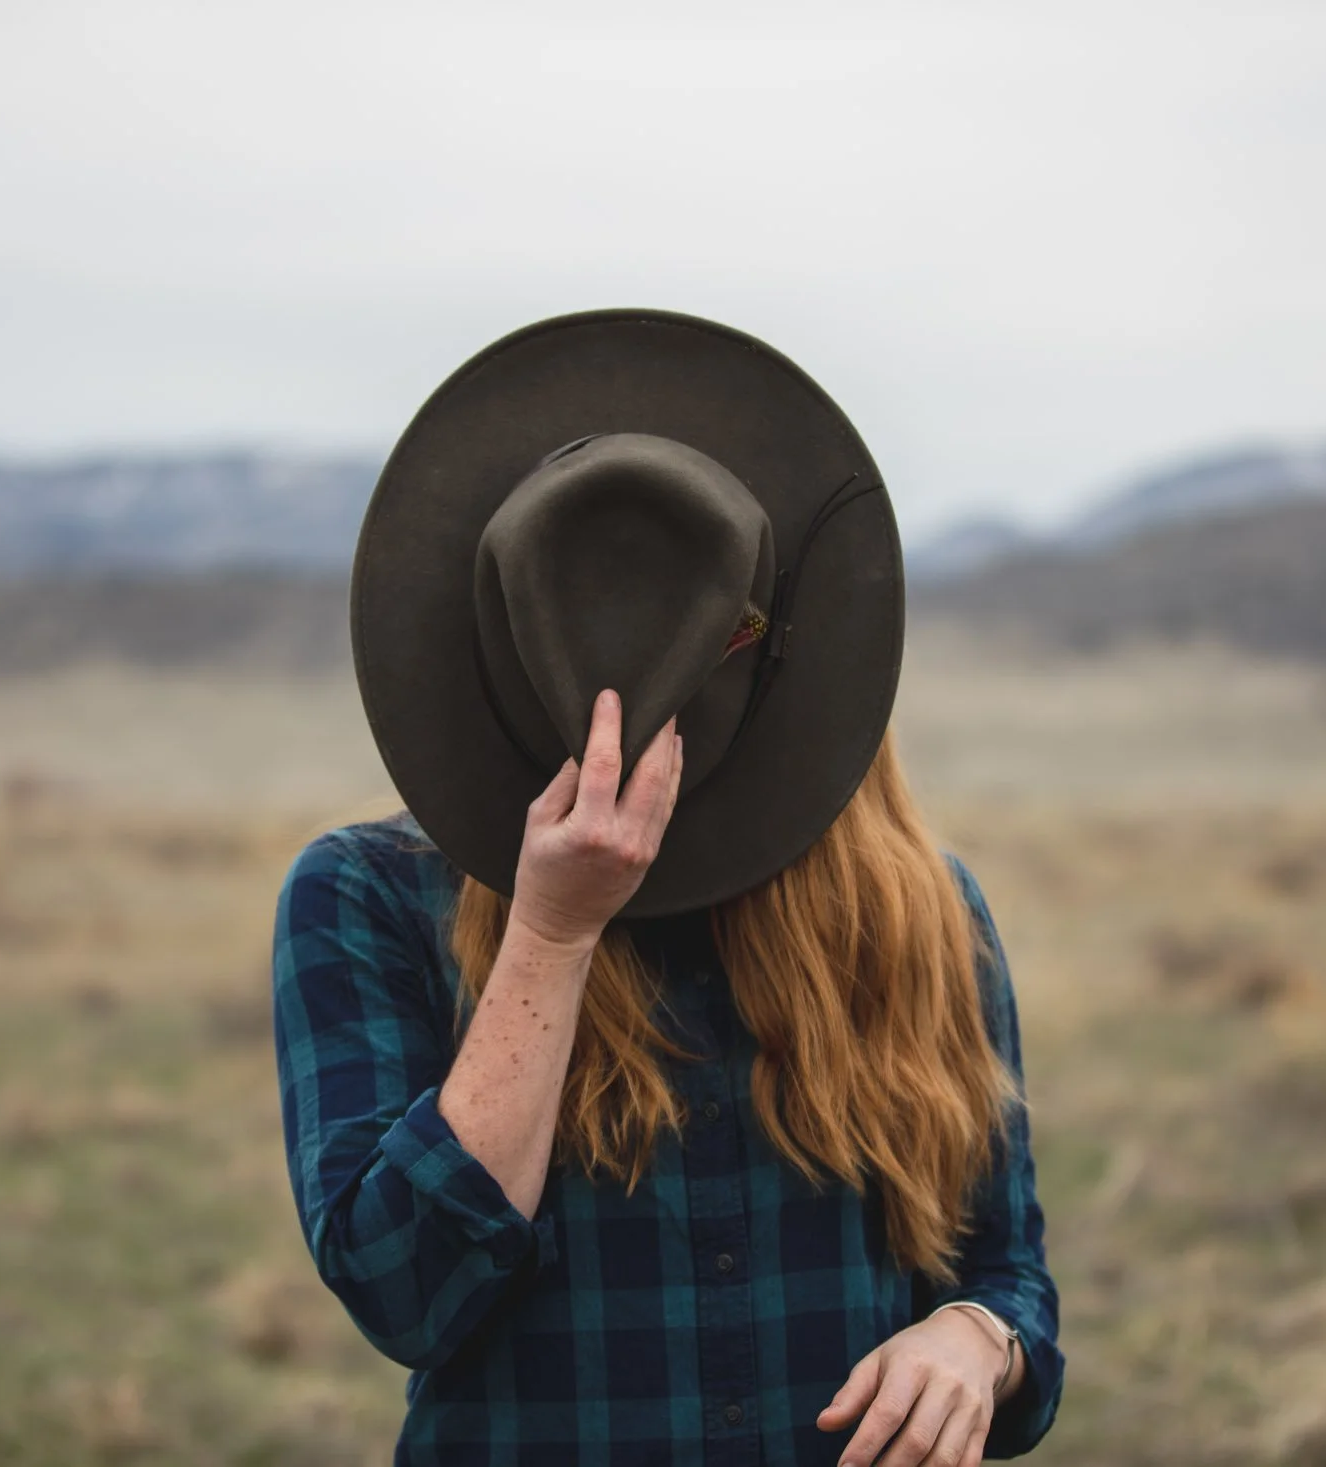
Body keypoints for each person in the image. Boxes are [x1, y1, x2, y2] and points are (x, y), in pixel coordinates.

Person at [274, 310, 1064, 1465]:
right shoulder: (368, 898)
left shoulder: (916, 905)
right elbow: (405, 1296)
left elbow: (1008, 1274)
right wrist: (549, 931)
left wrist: (974, 1338)